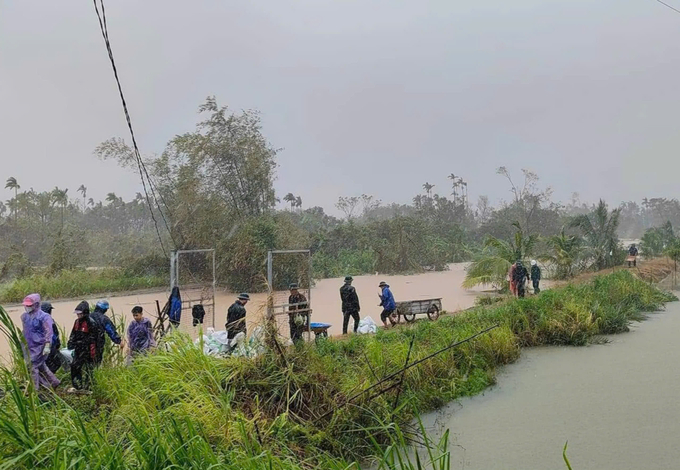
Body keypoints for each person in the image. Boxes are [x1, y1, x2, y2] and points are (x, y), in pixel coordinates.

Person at [21, 294, 60, 391]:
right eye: (26, 305)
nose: (28, 307)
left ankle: (35, 389)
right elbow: (25, 330)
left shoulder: (44, 317)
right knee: (41, 366)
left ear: (36, 304)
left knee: (32, 366)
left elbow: (49, 332)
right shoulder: (25, 317)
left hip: (40, 346)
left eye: (30, 305)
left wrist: (47, 345)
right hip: (29, 346)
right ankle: (54, 382)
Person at [67, 301, 101, 391]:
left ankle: (89, 387)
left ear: (85, 313)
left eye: (80, 314)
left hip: (89, 350)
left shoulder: (91, 323)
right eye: (77, 314)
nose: (78, 316)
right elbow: (73, 334)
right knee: (74, 366)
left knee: (89, 369)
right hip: (79, 350)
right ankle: (77, 386)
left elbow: (94, 338)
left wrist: (82, 343)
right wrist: (71, 342)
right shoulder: (77, 322)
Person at [90, 299, 122, 366]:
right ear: (105, 310)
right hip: (97, 344)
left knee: (88, 363)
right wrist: (119, 341)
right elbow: (111, 331)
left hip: (85, 344)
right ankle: (94, 375)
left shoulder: (88, 316)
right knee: (96, 363)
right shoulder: (104, 319)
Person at [41, 302, 62, 374]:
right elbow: (55, 334)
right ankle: (49, 380)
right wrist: (57, 344)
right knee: (56, 363)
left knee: (49, 364)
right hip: (49, 346)